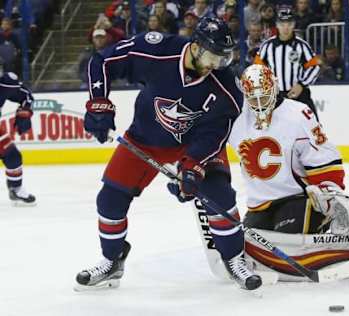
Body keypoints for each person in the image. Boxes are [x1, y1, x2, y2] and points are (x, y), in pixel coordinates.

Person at [75, 17, 262, 291]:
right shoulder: (157, 49)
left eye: (222, 59)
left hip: (195, 144)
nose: (216, 65)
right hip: (145, 139)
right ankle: (112, 260)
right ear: (196, 47)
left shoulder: (226, 87)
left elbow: (216, 133)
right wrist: (98, 103)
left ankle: (234, 258)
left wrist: (193, 166)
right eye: (212, 56)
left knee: (218, 196)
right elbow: (101, 61)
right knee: (109, 200)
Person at [226, 64, 349, 282]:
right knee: (250, 249)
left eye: (265, 96)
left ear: (275, 87)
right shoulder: (236, 119)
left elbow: (323, 157)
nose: (260, 104)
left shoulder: (298, 114)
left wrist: (331, 195)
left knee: (289, 243)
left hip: (297, 199)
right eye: (253, 98)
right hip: (259, 205)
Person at [254, 7, 320, 115]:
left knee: (313, 128)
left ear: (294, 24)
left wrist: (301, 85)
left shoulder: (302, 46)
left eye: (289, 24)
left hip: (300, 95)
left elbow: (314, 67)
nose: (286, 28)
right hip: (275, 98)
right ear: (277, 25)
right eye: (282, 24)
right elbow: (257, 69)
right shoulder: (267, 46)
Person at [0, 58, 36, 206]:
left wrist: (25, 111)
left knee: (12, 156)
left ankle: (16, 188)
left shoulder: (5, 83)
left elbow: (26, 95)